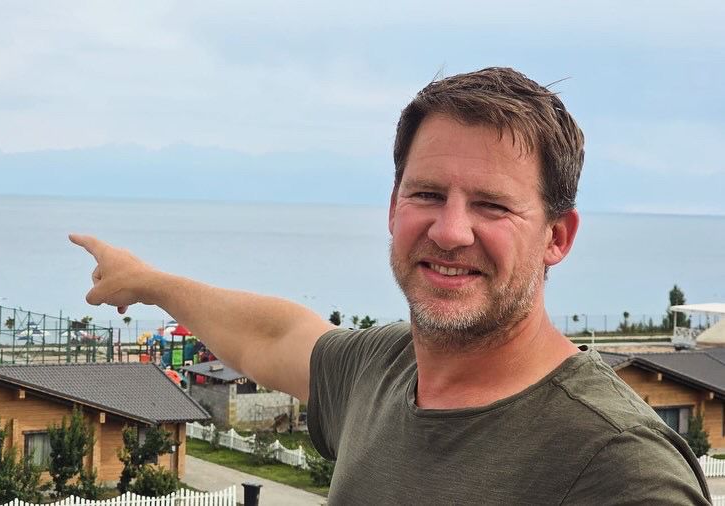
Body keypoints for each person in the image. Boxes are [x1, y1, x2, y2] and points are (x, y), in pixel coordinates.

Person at [70, 67, 710, 504]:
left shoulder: (619, 468)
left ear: (557, 237)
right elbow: (273, 335)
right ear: (392, 208)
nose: (450, 231)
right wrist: (148, 281)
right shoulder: (383, 369)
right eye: (427, 194)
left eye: (491, 205)